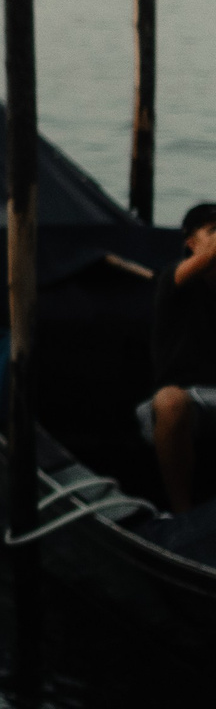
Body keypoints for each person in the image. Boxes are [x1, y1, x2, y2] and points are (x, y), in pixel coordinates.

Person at [148, 203, 216, 514]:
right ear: (191, 244)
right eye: (214, 232)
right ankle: (182, 513)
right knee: (170, 402)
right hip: (178, 400)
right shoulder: (174, 278)